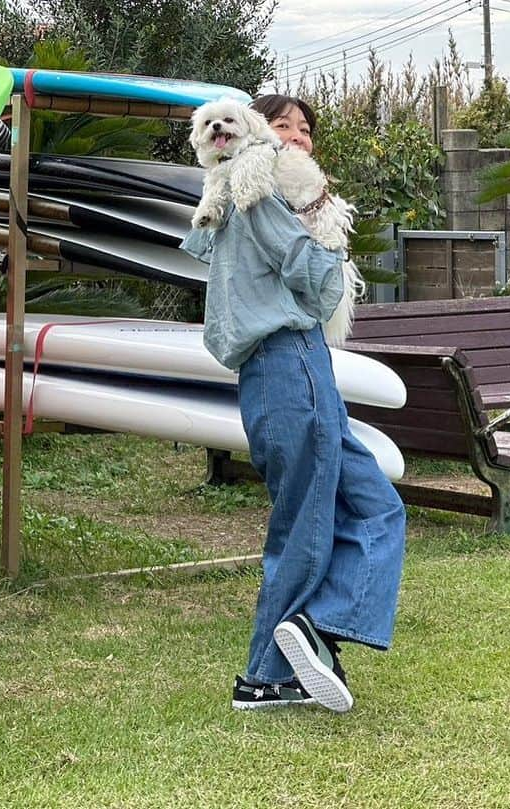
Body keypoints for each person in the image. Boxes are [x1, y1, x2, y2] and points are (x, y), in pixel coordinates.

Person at [180, 94, 406, 712]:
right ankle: (271, 673)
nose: (298, 139)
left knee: (377, 505)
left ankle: (315, 632)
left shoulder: (227, 198)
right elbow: (317, 275)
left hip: (289, 368)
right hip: (289, 361)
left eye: (306, 130)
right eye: (284, 127)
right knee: (306, 517)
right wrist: (328, 238)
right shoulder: (258, 193)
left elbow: (206, 256)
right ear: (257, 134)